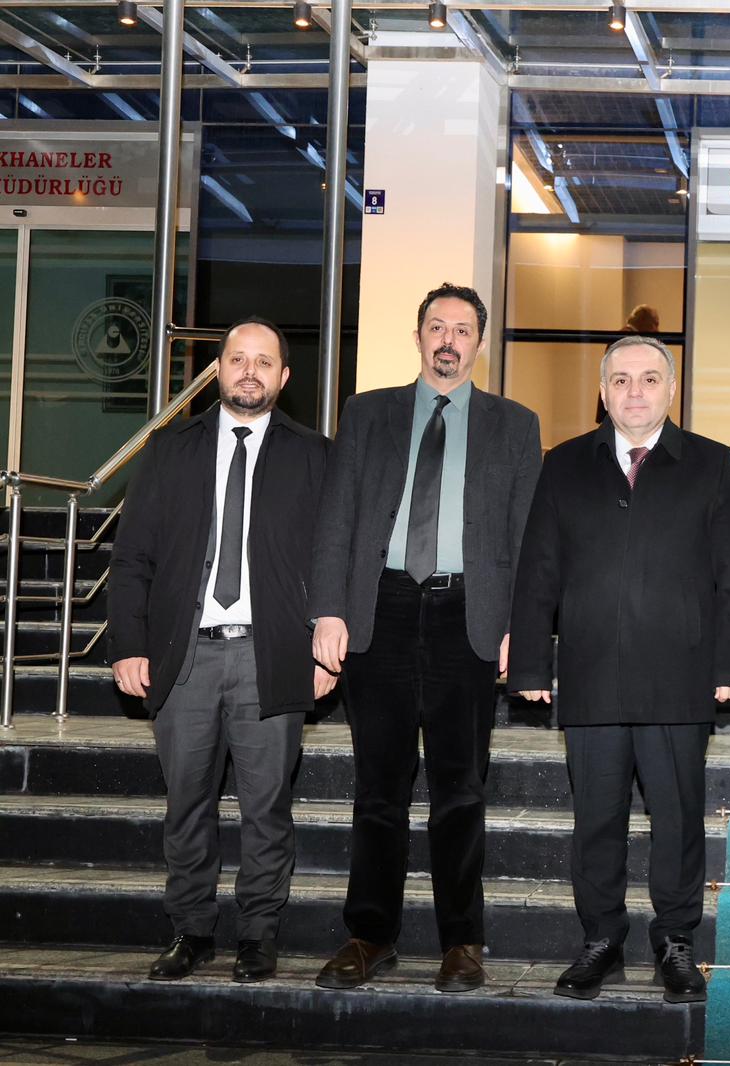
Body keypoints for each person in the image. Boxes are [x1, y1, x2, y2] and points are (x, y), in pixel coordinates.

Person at [309, 282, 542, 993]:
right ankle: (369, 935)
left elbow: (529, 540)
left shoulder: (515, 424)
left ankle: (461, 942)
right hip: (377, 610)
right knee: (378, 788)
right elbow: (336, 516)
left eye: (462, 329)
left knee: (459, 790)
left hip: (466, 616)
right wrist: (328, 610)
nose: (448, 339)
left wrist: (522, 629)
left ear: (479, 343)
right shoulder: (367, 412)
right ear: (418, 337)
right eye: (437, 326)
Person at [510, 336, 730, 1004]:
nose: (635, 391)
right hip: (590, 674)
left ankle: (675, 940)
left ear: (671, 389)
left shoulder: (711, 463)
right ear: (603, 391)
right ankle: (601, 938)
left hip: (680, 677)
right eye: (621, 380)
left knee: (678, 818)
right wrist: (530, 662)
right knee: (596, 818)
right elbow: (538, 569)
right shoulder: (564, 464)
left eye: (649, 378)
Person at [108, 316, 332, 984]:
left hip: (273, 655)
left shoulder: (316, 456)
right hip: (184, 658)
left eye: (264, 361)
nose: (249, 371)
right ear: (218, 369)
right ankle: (192, 930)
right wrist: (128, 644)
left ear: (284, 376)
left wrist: (325, 649)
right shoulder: (170, 449)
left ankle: (258, 935)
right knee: (186, 803)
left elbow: (334, 561)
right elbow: (132, 556)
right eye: (238, 359)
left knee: (267, 807)